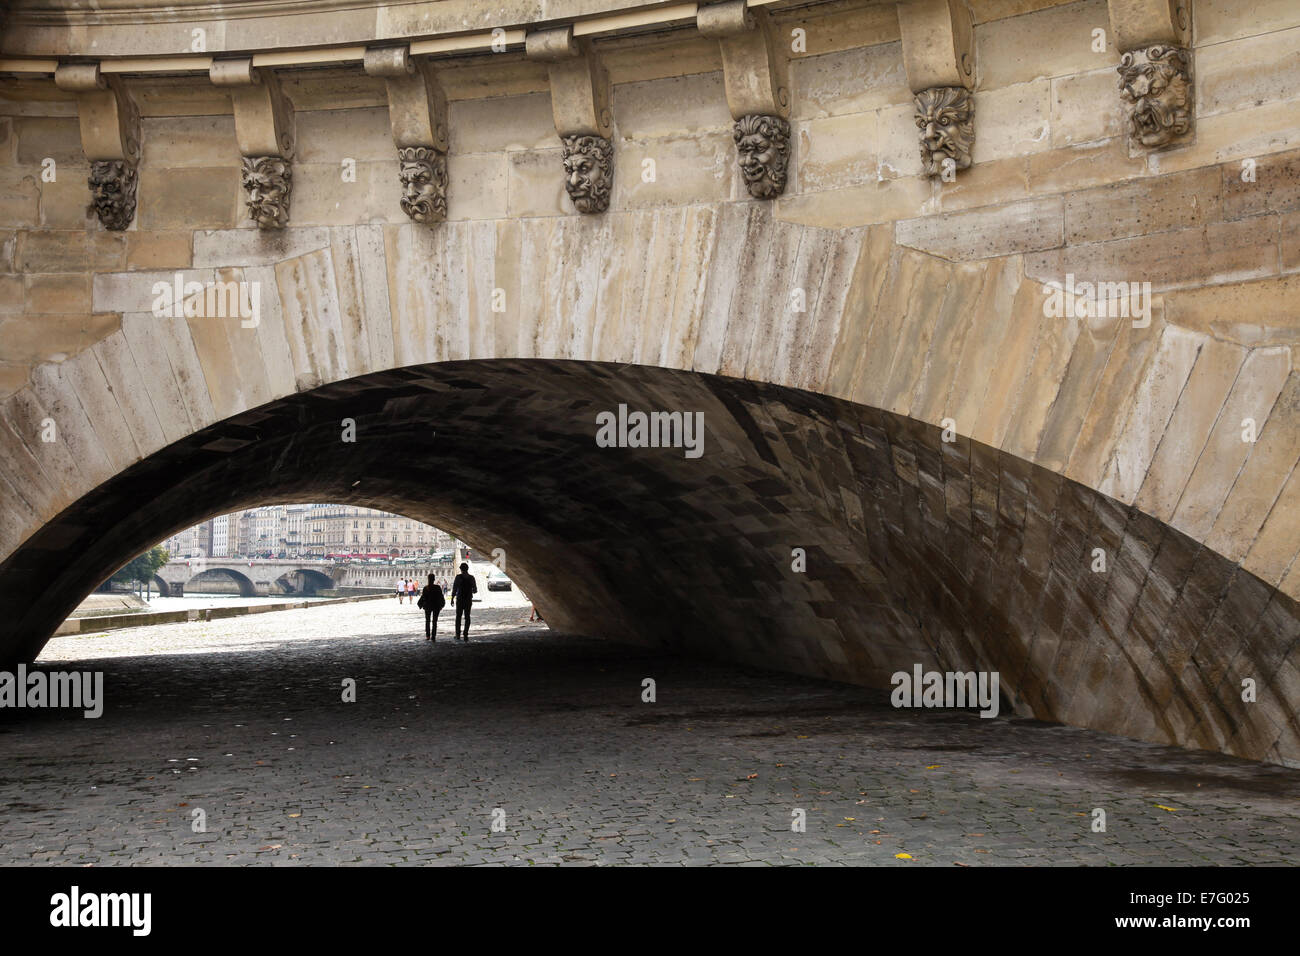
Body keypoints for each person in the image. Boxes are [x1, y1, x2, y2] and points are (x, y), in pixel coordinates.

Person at [450, 562, 477, 642]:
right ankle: (465, 634)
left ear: (461, 569)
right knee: (467, 617)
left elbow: (454, 588)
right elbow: (475, 590)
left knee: (458, 617)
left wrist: (452, 598)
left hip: (460, 599)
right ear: (467, 569)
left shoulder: (458, 577)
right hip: (468, 599)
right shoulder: (471, 578)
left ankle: (458, 634)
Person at [416, 573, 445, 641]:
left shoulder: (426, 588)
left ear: (428, 579)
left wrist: (422, 605)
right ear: (434, 579)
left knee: (427, 621)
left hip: (428, 606)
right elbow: (441, 597)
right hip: (436, 606)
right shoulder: (437, 587)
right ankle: (433, 636)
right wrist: (441, 605)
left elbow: (423, 597)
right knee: (434, 621)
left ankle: (428, 636)